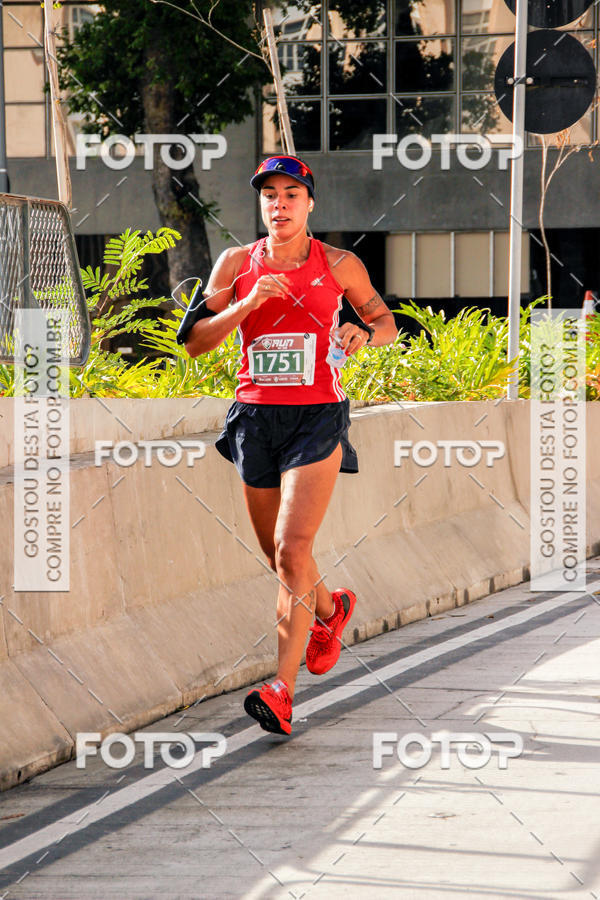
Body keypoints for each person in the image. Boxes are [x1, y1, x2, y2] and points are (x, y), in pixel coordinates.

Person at [181, 155, 397, 735]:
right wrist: (246, 303)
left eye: (291, 195)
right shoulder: (235, 264)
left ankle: (281, 690)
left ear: (309, 204)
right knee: (281, 558)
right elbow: (194, 342)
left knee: (292, 547)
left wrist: (361, 331)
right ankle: (331, 609)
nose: (280, 204)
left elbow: (386, 325)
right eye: (270, 195)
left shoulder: (340, 264)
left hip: (317, 417)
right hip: (254, 419)